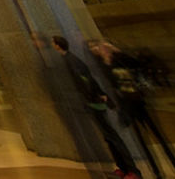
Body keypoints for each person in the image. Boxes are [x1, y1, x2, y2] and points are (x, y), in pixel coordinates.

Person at [93, 40, 175, 179]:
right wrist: (106, 59)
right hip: (128, 106)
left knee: (160, 138)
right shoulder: (104, 66)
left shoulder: (120, 60)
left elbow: (136, 64)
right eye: (101, 48)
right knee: (144, 143)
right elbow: (109, 81)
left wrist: (115, 49)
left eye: (104, 48)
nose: (103, 50)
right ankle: (157, 172)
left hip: (139, 101)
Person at [52, 36, 139, 179]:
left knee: (113, 137)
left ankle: (133, 170)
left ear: (57, 45)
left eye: (95, 46)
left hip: (98, 103)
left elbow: (87, 82)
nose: (93, 49)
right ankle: (123, 167)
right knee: (109, 137)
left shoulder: (73, 60)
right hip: (94, 102)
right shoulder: (74, 60)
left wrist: (97, 96)